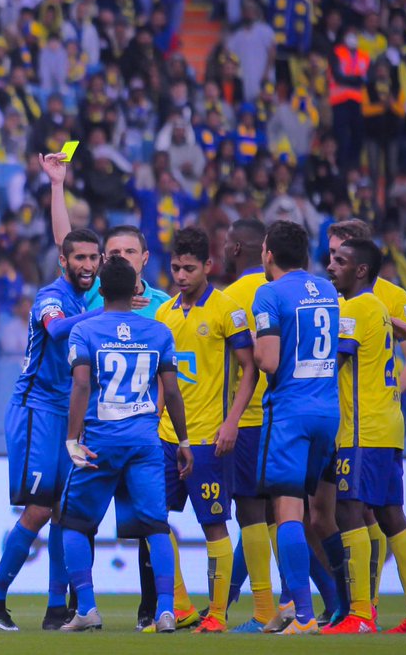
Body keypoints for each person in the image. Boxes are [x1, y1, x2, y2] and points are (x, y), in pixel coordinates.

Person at [0, 154, 102, 633]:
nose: (88, 265)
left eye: (95, 259)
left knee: (60, 511)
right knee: (39, 508)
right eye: (81, 259)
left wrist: (58, 186)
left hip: (66, 413)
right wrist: (107, 312)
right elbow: (54, 333)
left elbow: (65, 236)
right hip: (34, 411)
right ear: (64, 263)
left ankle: (56, 608)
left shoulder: (85, 295)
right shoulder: (54, 297)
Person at [59, 256, 192, 633]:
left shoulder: (85, 331)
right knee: (156, 526)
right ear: (137, 289)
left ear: (100, 290)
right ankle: (165, 610)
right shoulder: (159, 332)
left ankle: (86, 608)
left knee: (74, 522)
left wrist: (72, 438)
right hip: (145, 443)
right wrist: (183, 440)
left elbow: (82, 385)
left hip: (100, 443)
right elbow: (172, 391)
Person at [153, 227, 258, 633]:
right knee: (152, 518)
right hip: (165, 436)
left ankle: (217, 613)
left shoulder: (227, 309)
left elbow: (250, 368)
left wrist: (231, 422)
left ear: (208, 267)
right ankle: (180, 605)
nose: (181, 275)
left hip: (209, 436)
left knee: (214, 524)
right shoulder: (164, 314)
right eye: (176, 267)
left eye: (189, 268)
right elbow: (162, 378)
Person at [326, 218, 406, 616]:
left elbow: (335, 360)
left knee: (347, 510)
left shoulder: (357, 306)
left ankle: (362, 613)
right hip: (386, 425)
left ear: (360, 269)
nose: (331, 266)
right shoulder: (378, 307)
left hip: (361, 428)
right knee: (389, 514)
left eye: (340, 259)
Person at [251, 220, 341, 634]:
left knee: (286, 509)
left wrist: (253, 343)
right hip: (328, 410)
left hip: (289, 412)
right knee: (307, 509)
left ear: (268, 253)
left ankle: (303, 615)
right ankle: (320, 604)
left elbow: (268, 360)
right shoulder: (326, 289)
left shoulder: (268, 293)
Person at [219, 218, 281, 632]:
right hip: (287, 414)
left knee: (251, 512)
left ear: (238, 248)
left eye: (227, 243)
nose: (224, 249)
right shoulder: (284, 289)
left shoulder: (231, 297)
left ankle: (263, 610)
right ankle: (319, 602)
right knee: (288, 513)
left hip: (250, 418)